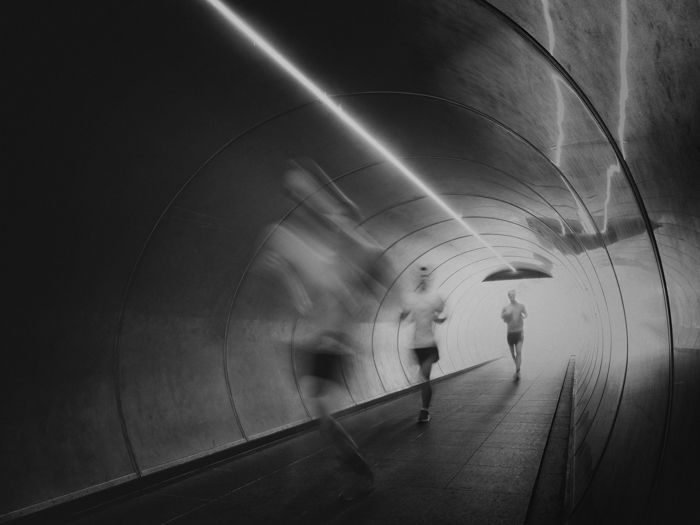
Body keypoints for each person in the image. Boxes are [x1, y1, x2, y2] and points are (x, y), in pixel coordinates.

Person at [259, 158, 391, 500]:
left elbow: (341, 221)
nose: (334, 228)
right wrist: (285, 274)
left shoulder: (360, 255)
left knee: (322, 411)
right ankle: (352, 462)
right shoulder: (332, 261)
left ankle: (357, 467)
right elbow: (306, 304)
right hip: (322, 342)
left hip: (335, 345)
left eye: (341, 224)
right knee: (319, 413)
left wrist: (305, 189)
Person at [399, 266, 446, 423]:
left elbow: (441, 312)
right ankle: (425, 404)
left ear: (429, 279)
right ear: (416, 279)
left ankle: (424, 410)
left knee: (424, 377)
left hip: (429, 345)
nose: (423, 279)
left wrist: (440, 317)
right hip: (416, 345)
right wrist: (402, 315)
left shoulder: (434, 297)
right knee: (423, 379)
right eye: (420, 276)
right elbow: (404, 316)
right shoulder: (411, 298)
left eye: (426, 276)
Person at [501, 289, 527, 379]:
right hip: (510, 333)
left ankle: (518, 370)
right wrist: (506, 315)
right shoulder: (506, 308)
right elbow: (503, 318)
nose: (512, 296)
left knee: (519, 352)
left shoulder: (521, 306)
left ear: (515, 295)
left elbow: (526, 315)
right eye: (510, 295)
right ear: (508, 296)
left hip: (519, 332)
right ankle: (517, 367)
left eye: (513, 295)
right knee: (513, 354)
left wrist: (522, 316)